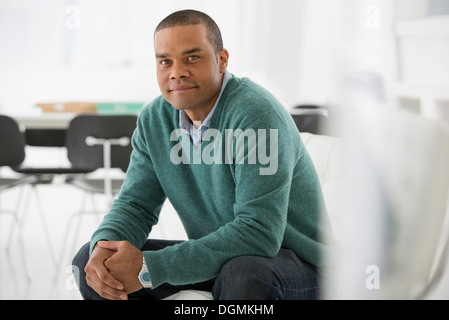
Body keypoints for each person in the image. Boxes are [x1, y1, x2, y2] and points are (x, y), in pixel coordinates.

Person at [72, 9, 331, 300]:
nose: (177, 72)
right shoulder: (154, 119)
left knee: (245, 274)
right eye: (165, 61)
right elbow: (135, 205)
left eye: (192, 58)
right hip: (225, 260)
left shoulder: (256, 115)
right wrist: (104, 245)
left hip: (300, 268)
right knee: (92, 261)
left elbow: (259, 233)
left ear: (221, 60)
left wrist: (150, 266)